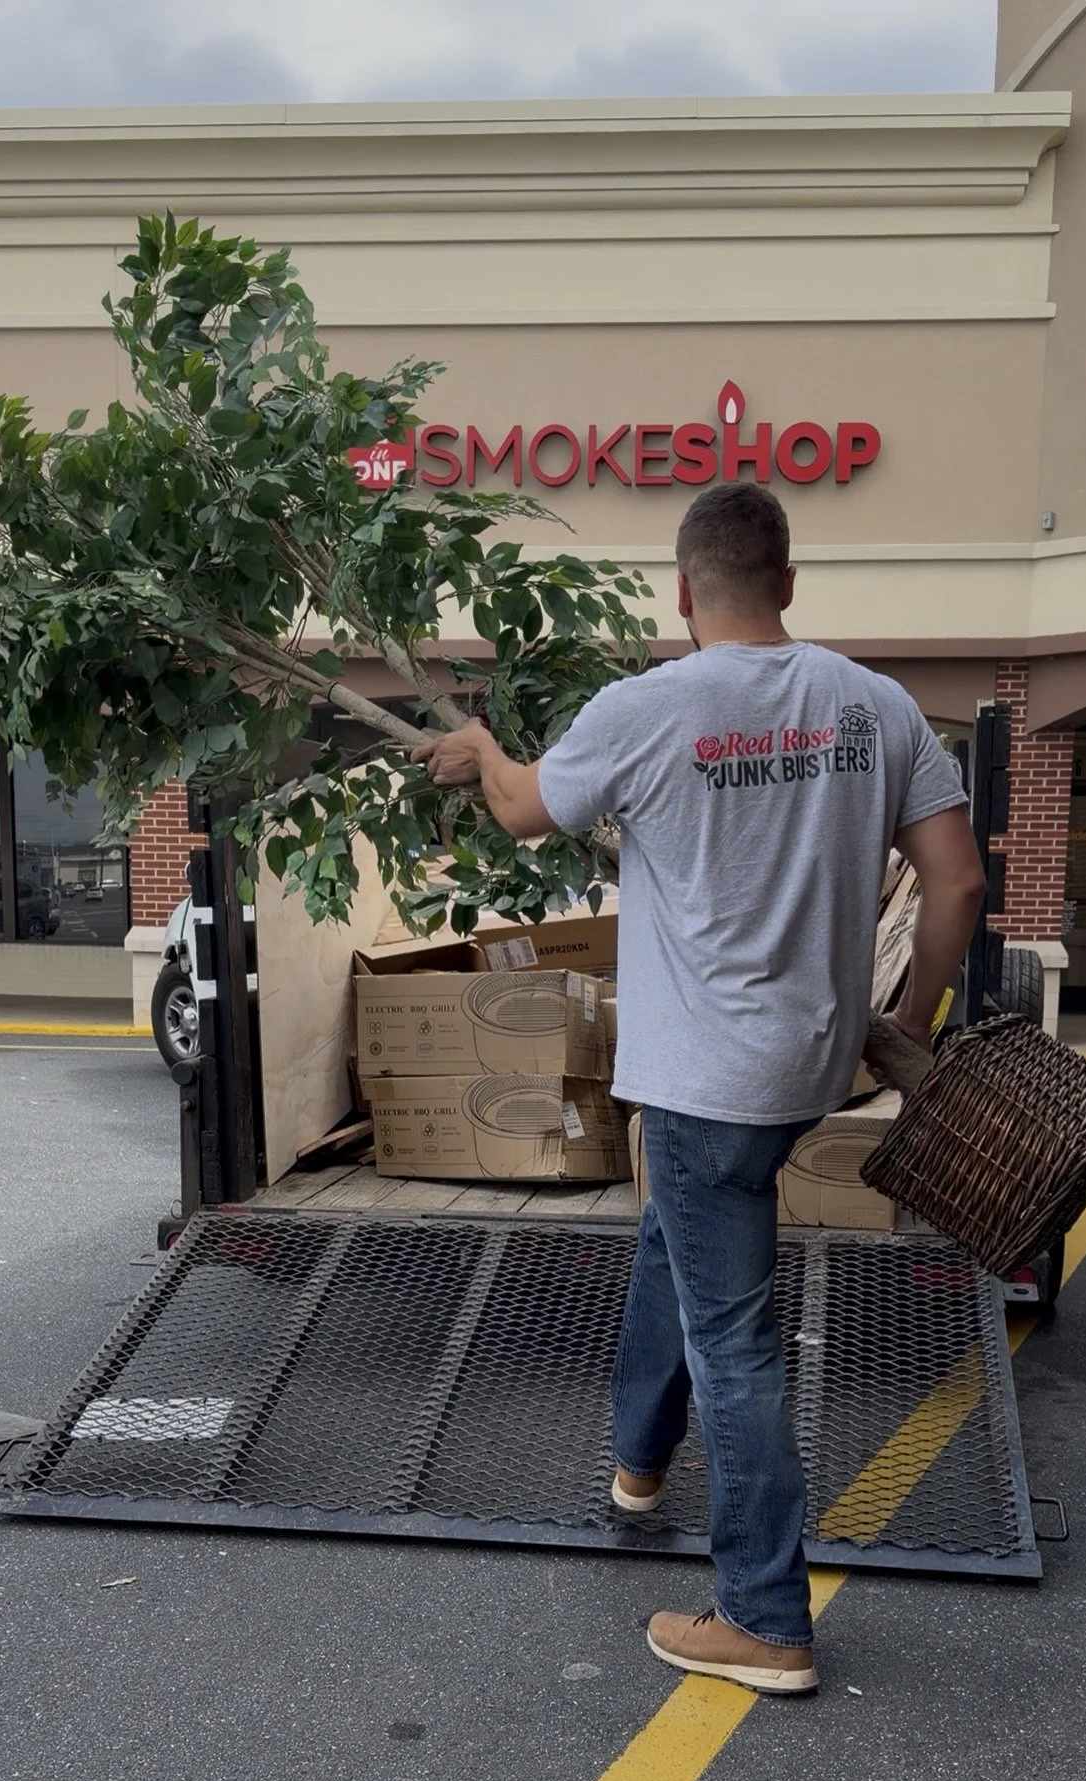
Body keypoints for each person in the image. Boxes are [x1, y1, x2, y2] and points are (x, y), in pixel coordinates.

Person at [414, 482, 985, 1697]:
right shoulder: (874, 706)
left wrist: (479, 752)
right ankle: (637, 1461)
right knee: (675, 1251)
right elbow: (960, 887)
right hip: (807, 1071)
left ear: (683, 593)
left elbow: (520, 809)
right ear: (786, 580)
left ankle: (766, 1617)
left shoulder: (647, 708)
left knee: (735, 1339)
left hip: (698, 1081)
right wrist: (910, 1022)